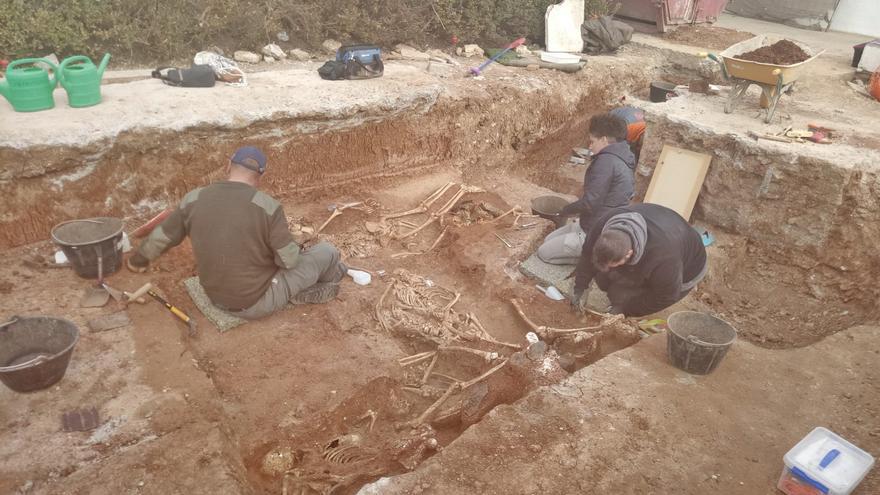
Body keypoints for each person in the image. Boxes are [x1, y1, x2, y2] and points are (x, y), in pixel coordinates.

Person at [127, 146, 345, 320]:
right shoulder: (268, 207)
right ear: (261, 175)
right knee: (327, 252)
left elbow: (163, 236)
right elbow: (288, 261)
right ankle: (330, 280)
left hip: (214, 295)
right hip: (253, 303)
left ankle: (319, 280)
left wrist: (138, 260)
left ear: (228, 165)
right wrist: (293, 246)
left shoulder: (195, 197)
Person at [570, 203, 707, 317]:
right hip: (657, 242)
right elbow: (587, 255)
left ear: (628, 254)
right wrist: (580, 287)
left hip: (687, 272)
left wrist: (625, 309)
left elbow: (666, 296)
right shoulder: (603, 225)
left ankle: (626, 298)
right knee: (603, 280)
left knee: (618, 295)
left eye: (614, 264)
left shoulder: (664, 258)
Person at [537, 113, 636, 265]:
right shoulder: (623, 156)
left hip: (596, 232)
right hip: (597, 222)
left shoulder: (606, 162)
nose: (590, 147)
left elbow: (590, 203)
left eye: (592, 141)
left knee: (543, 253)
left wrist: (565, 210)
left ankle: (594, 257)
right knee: (548, 239)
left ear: (603, 139)